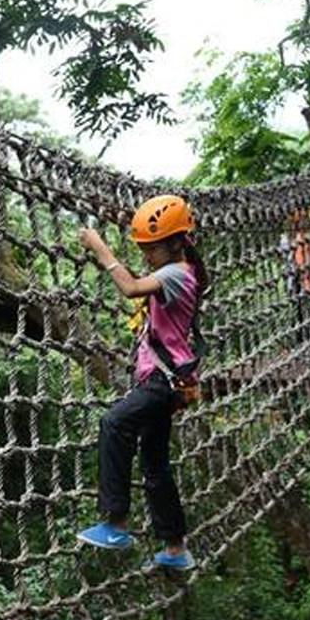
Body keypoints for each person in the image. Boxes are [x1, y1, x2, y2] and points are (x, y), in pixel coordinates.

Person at [76, 195, 207, 571]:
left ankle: (115, 523)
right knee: (154, 464)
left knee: (114, 423)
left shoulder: (176, 274)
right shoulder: (181, 269)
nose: (146, 256)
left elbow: (131, 288)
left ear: (177, 243)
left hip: (164, 382)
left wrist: (101, 249)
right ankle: (174, 547)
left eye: (152, 249)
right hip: (169, 380)